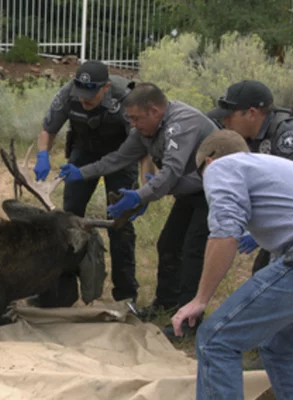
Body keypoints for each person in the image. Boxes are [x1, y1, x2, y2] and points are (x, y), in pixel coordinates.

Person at [168, 126, 293, 400]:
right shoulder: (286, 169)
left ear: (208, 160)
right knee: (279, 342)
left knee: (217, 339)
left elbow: (224, 233)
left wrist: (199, 299)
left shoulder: (223, 167)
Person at [58, 82, 218, 339]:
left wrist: (138, 197)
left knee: (193, 251)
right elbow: (119, 158)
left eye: (136, 118)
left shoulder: (181, 123)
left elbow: (171, 172)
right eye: (129, 118)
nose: (132, 124)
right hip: (190, 190)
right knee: (168, 244)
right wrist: (81, 172)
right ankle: (166, 303)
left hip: (214, 192)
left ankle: (191, 323)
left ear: (155, 110)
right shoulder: (146, 129)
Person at [31, 60, 139, 307]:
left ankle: (126, 295)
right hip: (84, 151)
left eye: (91, 95)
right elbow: (48, 129)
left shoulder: (125, 98)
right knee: (69, 221)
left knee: (120, 223)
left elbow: (137, 145)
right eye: (81, 93)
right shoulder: (68, 93)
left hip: (122, 155)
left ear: (106, 87)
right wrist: (43, 154)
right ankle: (61, 289)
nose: (84, 100)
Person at [208, 80, 293, 273]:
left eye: (230, 116)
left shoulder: (288, 136)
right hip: (291, 224)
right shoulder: (251, 138)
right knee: (262, 273)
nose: (225, 123)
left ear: (251, 113)